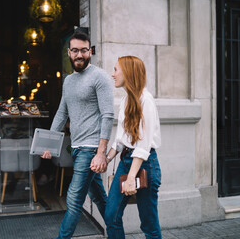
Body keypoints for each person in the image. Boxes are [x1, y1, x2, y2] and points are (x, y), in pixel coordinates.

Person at [41, 30, 114, 239]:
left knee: (73, 200)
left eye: (84, 50)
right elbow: (62, 113)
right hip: (76, 147)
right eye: (75, 50)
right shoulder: (68, 81)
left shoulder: (100, 77)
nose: (79, 54)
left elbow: (108, 115)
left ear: (89, 51)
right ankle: (117, 232)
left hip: (90, 149)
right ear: (69, 52)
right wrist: (49, 143)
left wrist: (101, 152)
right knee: (99, 198)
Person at [104, 56, 162, 238]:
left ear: (128, 73)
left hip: (145, 165)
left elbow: (143, 145)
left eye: (115, 70)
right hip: (126, 161)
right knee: (111, 215)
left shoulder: (146, 101)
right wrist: (106, 159)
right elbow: (120, 140)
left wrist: (131, 178)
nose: (112, 75)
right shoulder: (125, 100)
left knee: (148, 223)